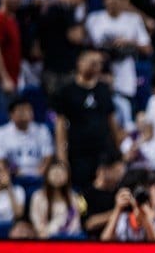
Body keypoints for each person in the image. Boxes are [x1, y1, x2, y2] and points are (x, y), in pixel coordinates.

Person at [52, 49, 123, 188]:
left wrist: (118, 151)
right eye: (92, 63)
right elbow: (60, 126)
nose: (96, 67)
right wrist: (62, 158)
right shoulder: (67, 91)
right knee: (83, 191)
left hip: (103, 151)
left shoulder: (104, 89)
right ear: (80, 63)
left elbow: (112, 121)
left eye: (99, 63)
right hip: (79, 153)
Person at [85, 0, 153, 104]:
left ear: (124, 0)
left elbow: (148, 49)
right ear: (104, 0)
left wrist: (129, 42)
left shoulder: (134, 19)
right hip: (99, 71)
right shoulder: (93, 19)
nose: (112, 1)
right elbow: (83, 46)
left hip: (124, 70)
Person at [100, 167, 155, 242]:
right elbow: (102, 248)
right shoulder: (122, 220)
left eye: (154, 189)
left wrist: (146, 220)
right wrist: (117, 209)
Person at [0, 97, 53, 180]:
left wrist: (39, 174)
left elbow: (48, 156)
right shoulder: (1, 133)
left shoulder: (42, 130)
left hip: (39, 176)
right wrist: (14, 172)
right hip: (12, 177)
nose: (26, 113)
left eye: (28, 110)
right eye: (21, 110)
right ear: (11, 115)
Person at [29, 160, 84, 239]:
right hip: (46, 239)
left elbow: (75, 224)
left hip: (69, 239)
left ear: (68, 176)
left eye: (61, 172)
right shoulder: (37, 196)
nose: (57, 175)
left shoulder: (75, 197)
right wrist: (47, 233)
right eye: (54, 172)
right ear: (47, 175)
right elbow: (36, 222)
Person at [80, 150, 126, 238]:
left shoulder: (121, 192)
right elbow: (89, 223)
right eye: (117, 171)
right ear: (104, 170)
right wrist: (117, 211)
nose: (121, 174)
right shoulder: (83, 195)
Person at [0, 161, 26, 225]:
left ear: (7, 171)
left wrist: (9, 188)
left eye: (1, 170)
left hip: (8, 226)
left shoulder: (18, 190)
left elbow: (18, 214)